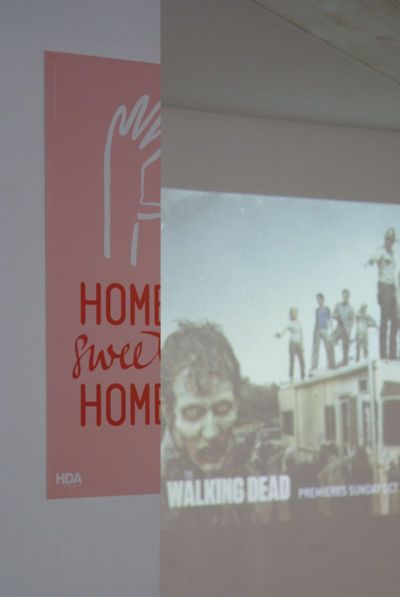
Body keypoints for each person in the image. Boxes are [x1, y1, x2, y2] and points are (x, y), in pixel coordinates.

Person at [161, 322, 264, 526]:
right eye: (193, 412)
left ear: (237, 404)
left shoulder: (248, 467)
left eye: (222, 408)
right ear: (168, 412)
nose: (211, 432)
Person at [367, 227, 397, 359]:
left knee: (395, 319)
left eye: (392, 240)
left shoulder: (392, 254)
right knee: (384, 319)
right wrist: (372, 260)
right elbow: (373, 258)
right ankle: (383, 353)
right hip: (384, 286)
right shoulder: (381, 250)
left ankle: (393, 353)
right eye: (388, 239)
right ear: (385, 239)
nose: (390, 242)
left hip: (392, 287)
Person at [275, 307, 305, 382]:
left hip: (299, 343)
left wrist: (302, 344)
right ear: (291, 315)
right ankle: (291, 377)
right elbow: (284, 329)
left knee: (302, 360)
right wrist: (279, 334)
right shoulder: (290, 323)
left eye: (295, 313)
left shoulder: (300, 323)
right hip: (292, 343)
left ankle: (303, 376)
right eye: (292, 313)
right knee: (292, 360)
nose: (294, 314)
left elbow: (301, 334)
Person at [331, 289, 355, 367]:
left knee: (346, 346)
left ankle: (345, 362)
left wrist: (348, 329)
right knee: (330, 341)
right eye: (343, 296)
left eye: (346, 296)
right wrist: (337, 316)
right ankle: (332, 362)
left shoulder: (351, 308)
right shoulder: (338, 305)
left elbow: (352, 321)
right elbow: (333, 314)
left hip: (346, 329)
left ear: (348, 297)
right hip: (339, 327)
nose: (344, 297)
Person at [311, 293, 334, 370]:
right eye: (317, 300)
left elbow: (330, 319)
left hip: (325, 329)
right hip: (318, 329)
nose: (318, 301)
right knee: (316, 348)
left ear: (322, 300)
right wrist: (314, 332)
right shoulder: (317, 310)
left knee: (328, 346)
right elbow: (316, 321)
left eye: (319, 299)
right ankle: (314, 365)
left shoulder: (327, 309)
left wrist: (331, 330)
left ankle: (330, 363)